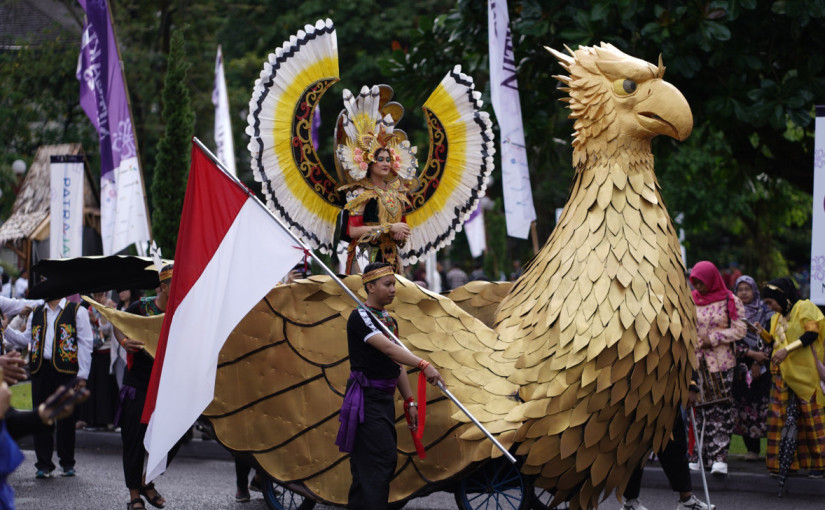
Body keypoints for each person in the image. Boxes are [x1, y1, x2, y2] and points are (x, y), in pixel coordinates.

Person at [335, 262, 444, 509]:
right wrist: (424, 364)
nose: (394, 289)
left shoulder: (388, 319)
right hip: (366, 401)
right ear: (370, 287)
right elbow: (387, 347)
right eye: (388, 284)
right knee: (380, 461)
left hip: (383, 402)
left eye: (394, 284)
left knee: (372, 465)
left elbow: (396, 361)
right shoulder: (360, 316)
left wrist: (409, 400)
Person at [6, 295, 93, 478]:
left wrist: (82, 375)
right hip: (40, 369)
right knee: (41, 412)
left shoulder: (77, 311)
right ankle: (43, 463)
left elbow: (85, 344)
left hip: (66, 369)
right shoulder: (37, 311)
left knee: (66, 416)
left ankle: (67, 461)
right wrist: (5, 329)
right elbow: (24, 340)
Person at [114, 266, 177, 510]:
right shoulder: (140, 307)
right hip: (138, 384)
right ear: (162, 287)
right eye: (175, 283)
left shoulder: (181, 311)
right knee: (134, 440)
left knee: (174, 437)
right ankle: (134, 496)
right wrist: (124, 341)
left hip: (167, 386)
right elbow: (116, 322)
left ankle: (147, 482)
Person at [760, 277, 825, 478]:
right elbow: (774, 343)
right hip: (783, 375)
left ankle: (819, 465)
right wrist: (760, 333)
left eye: (771, 302)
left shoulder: (805, 307)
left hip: (807, 375)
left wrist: (787, 350)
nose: (770, 307)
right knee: (781, 420)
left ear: (782, 296)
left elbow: (812, 334)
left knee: (812, 418)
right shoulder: (776, 319)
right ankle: (785, 464)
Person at [688, 261, 746, 475]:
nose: (698, 287)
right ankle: (697, 456)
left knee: (720, 410)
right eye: (695, 282)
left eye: (701, 282)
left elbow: (740, 329)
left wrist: (713, 338)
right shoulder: (690, 300)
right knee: (697, 409)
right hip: (695, 363)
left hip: (721, 363)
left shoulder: (730, 299)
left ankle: (719, 458)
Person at [620, 377, 710, 510]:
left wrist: (690, 385)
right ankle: (630, 501)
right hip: (637, 387)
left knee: (674, 442)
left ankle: (686, 499)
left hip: (668, 390)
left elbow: (685, 356)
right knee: (636, 445)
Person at [340, 147, 412, 274]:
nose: (385, 164)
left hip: (391, 256)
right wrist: (389, 228)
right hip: (367, 256)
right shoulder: (362, 192)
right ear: (370, 164)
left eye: (388, 160)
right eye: (380, 159)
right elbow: (353, 231)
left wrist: (399, 235)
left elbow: (400, 227)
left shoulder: (396, 193)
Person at [731, 276, 774, 460]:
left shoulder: (766, 312)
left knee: (765, 406)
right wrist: (751, 355)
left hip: (763, 367)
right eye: (740, 289)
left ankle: (771, 450)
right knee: (744, 406)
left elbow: (773, 338)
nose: (743, 292)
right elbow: (731, 341)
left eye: (747, 288)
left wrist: (759, 360)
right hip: (741, 367)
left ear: (754, 290)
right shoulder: (732, 313)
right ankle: (752, 450)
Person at [78, 291, 119, 430]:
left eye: (100, 295)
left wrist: (95, 319)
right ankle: (91, 420)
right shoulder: (88, 308)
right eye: (95, 296)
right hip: (92, 351)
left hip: (106, 351)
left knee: (104, 389)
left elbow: (105, 328)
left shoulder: (109, 306)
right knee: (92, 387)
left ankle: (104, 420)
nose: (98, 298)